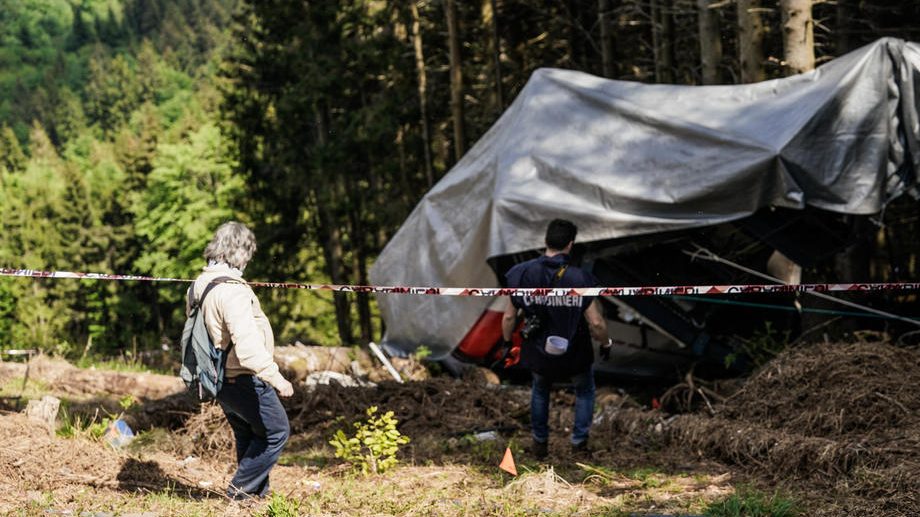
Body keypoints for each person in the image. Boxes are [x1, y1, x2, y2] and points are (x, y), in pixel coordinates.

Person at [188, 221, 294, 501]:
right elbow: (246, 346)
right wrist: (276, 377)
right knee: (276, 432)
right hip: (244, 376)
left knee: (249, 434)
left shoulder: (201, 283)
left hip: (220, 379)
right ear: (243, 252)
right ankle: (239, 492)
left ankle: (254, 498)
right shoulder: (232, 290)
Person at [501, 219, 610, 459]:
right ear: (570, 245)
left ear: (545, 241)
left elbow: (509, 317)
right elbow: (596, 322)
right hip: (575, 350)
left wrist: (507, 343)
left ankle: (539, 445)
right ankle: (579, 445)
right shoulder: (581, 279)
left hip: (538, 350)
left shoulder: (521, 274)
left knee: (540, 390)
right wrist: (605, 343)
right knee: (584, 391)